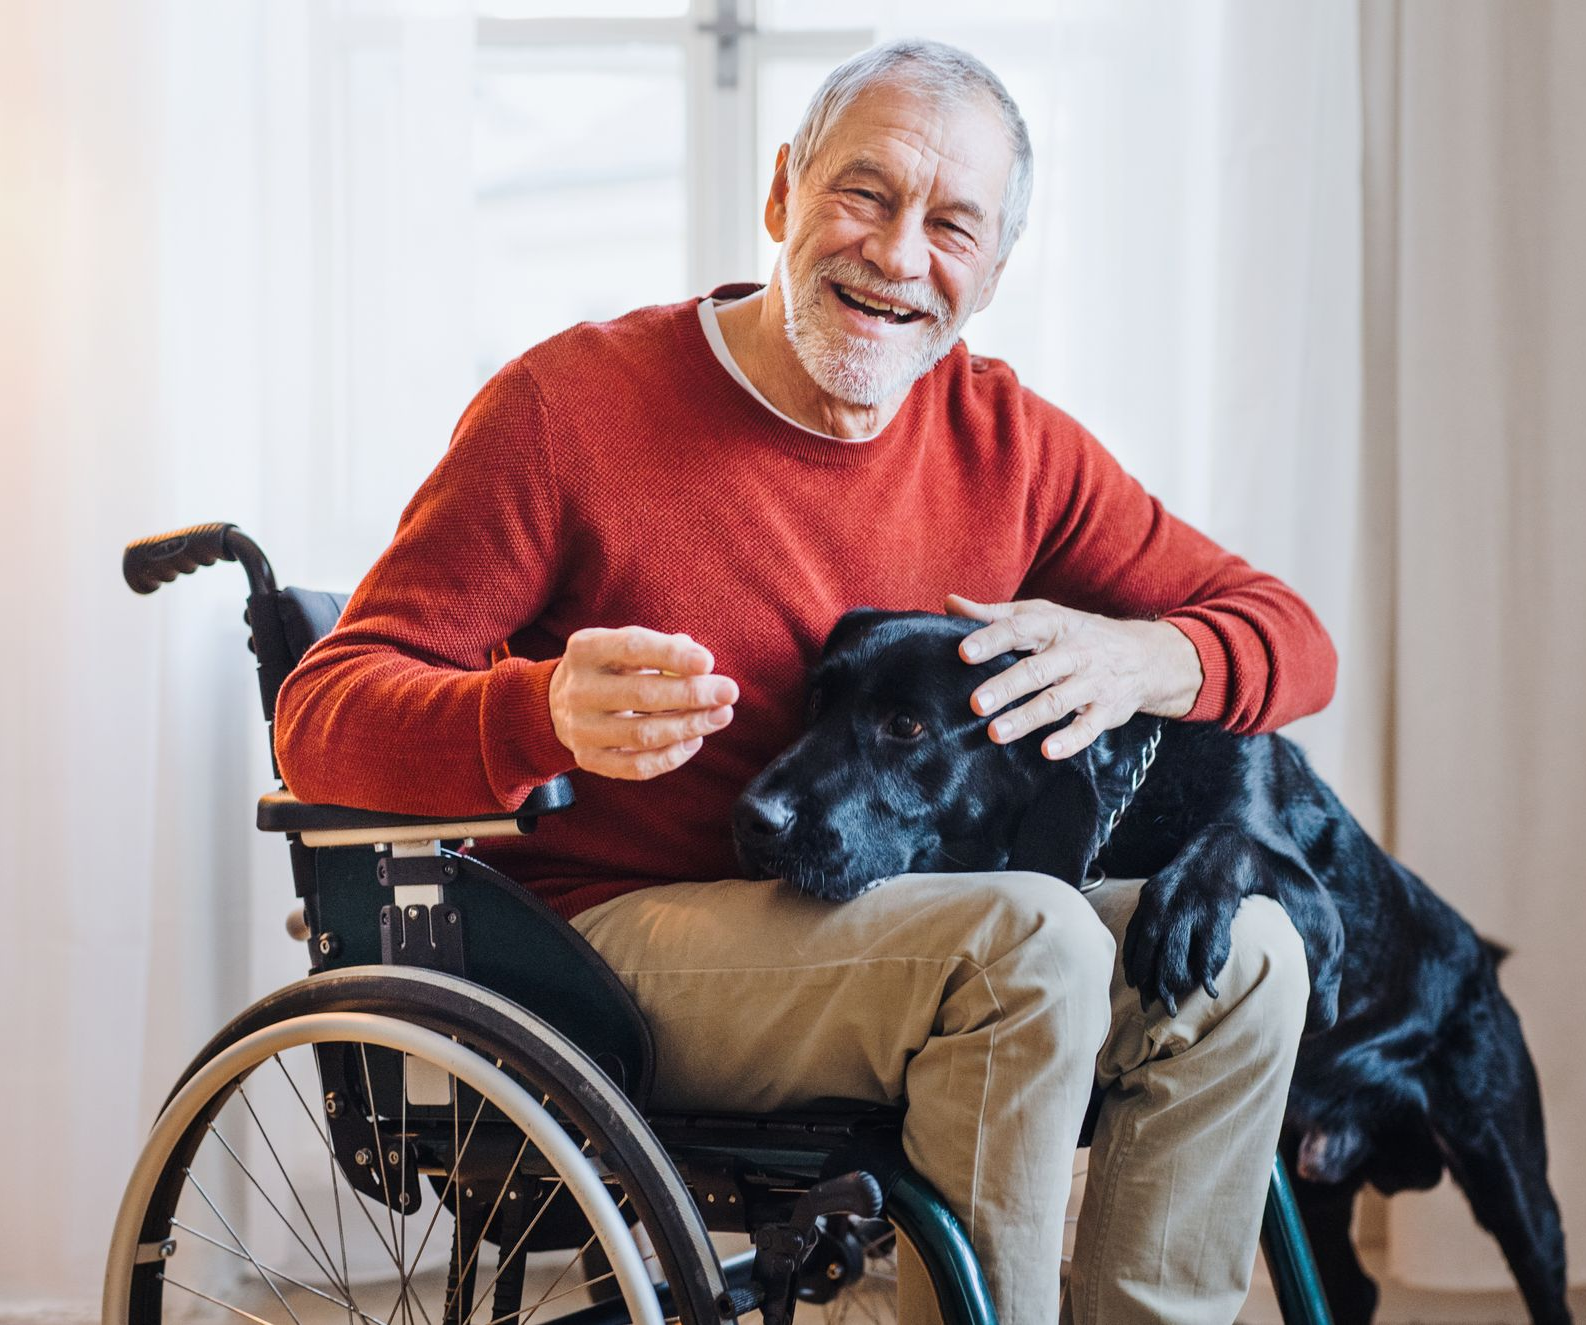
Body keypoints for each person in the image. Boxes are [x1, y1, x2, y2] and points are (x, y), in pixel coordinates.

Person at [276, 39, 1336, 1325]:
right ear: (781, 194)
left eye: (950, 223)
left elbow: (1290, 639)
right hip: (614, 947)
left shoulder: (1008, 440)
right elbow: (321, 715)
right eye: (863, 193)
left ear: (992, 270)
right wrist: (536, 708)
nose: (897, 254)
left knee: (1252, 952)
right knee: (1033, 935)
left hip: (899, 932)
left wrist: (1142, 653)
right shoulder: (568, 407)